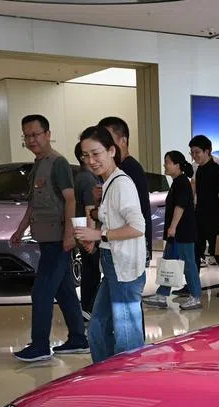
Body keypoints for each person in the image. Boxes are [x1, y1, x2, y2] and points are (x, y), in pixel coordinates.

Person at [9, 114, 88, 361]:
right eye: (27, 136)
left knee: (41, 292)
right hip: (46, 239)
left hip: (57, 240)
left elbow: (70, 200)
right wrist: (20, 229)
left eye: (35, 134)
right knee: (64, 290)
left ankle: (40, 345)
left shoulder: (58, 163)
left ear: (47, 134)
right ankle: (78, 338)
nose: (31, 140)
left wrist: (69, 235)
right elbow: (34, 204)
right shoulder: (38, 164)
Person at [74, 125, 147, 363]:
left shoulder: (121, 184)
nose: (91, 161)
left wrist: (100, 235)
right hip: (113, 266)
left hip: (125, 269)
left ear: (112, 151)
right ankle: (106, 374)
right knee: (97, 327)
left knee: (127, 338)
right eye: (86, 155)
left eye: (96, 153)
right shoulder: (108, 183)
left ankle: (128, 378)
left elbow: (138, 227)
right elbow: (113, 220)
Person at [144, 150, 200, 310]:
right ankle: (162, 295)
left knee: (188, 263)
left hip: (183, 232)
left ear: (177, 165)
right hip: (176, 233)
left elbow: (180, 207)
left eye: (167, 162)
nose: (165, 165)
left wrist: (173, 227)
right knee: (168, 262)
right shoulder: (177, 182)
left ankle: (195, 297)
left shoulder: (182, 183)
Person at [97, 117, 152, 258]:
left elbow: (135, 222)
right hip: (119, 247)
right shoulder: (119, 169)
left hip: (126, 249)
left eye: (108, 140)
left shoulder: (127, 170)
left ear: (123, 140)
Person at [189, 135, 219, 297]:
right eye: (192, 152)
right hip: (199, 216)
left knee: (218, 252)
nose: (194, 156)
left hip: (213, 218)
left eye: (197, 152)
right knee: (196, 252)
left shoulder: (217, 170)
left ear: (207, 151)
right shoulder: (199, 170)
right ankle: (192, 284)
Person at [73, 140, 101, 318]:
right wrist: (91, 237)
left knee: (89, 270)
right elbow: (89, 209)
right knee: (92, 271)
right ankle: (89, 307)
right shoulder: (88, 178)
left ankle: (87, 307)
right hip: (88, 231)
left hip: (82, 230)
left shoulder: (81, 176)